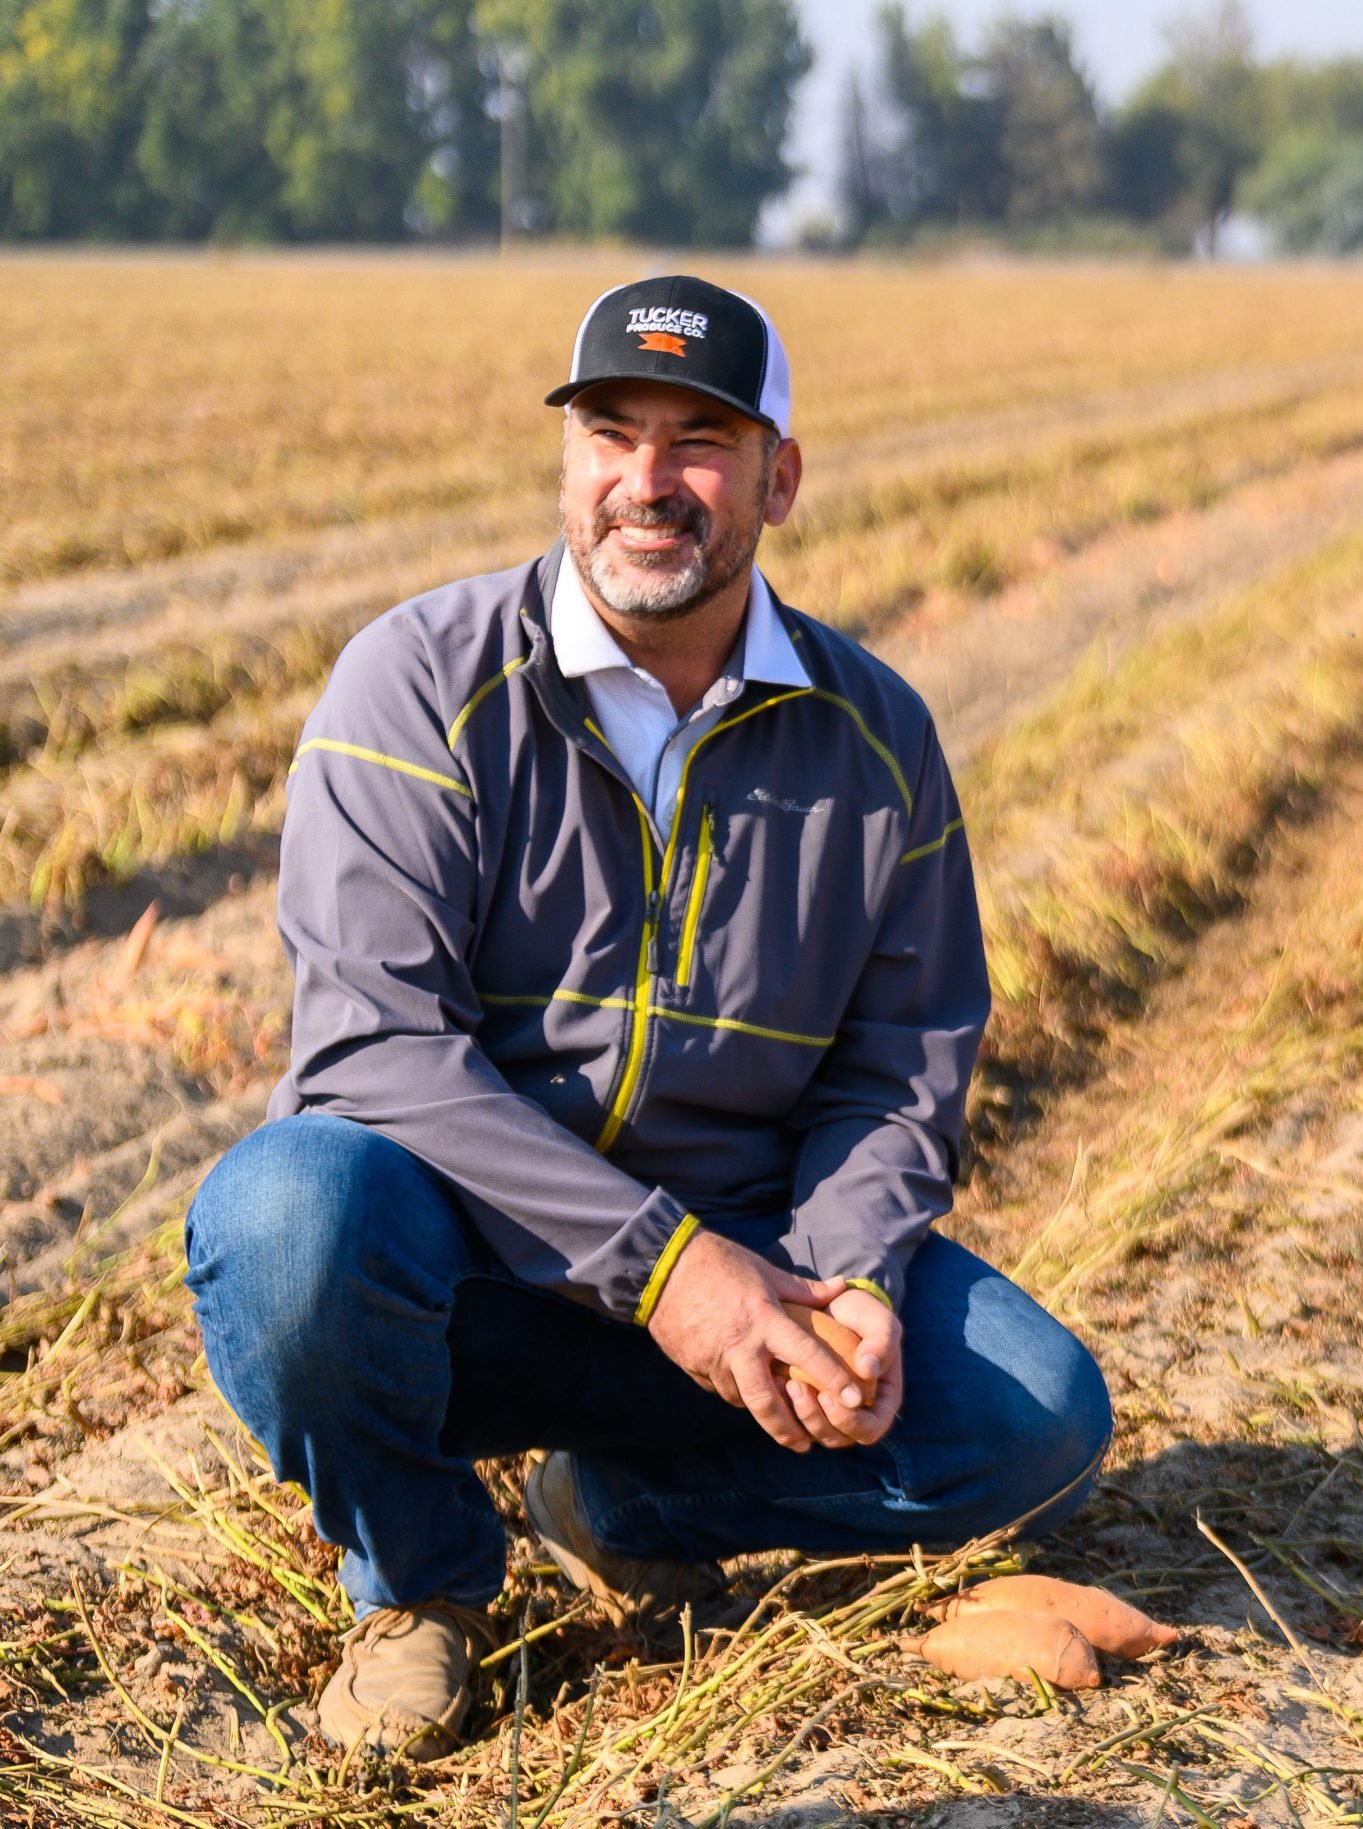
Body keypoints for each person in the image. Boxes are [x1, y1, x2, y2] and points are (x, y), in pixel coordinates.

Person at [184, 274, 1112, 1756]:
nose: (646, 482)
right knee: (287, 1218)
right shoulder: (419, 683)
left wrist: (846, 1275)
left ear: (778, 479)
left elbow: (904, 1056)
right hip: (464, 1272)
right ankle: (420, 1578)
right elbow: (370, 1045)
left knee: (1040, 1419)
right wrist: (668, 1269)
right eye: (610, 432)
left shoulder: (875, 739)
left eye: (699, 441)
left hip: (745, 1263)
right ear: (568, 460)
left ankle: (619, 1497)